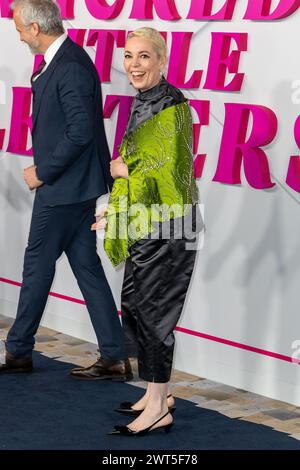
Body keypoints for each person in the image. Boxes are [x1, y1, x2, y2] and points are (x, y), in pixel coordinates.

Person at [0, 0, 132, 382]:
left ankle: (19, 351)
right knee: (86, 267)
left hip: (64, 187)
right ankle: (113, 355)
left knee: (36, 266)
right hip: (76, 186)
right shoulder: (63, 60)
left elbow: (80, 132)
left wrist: (43, 171)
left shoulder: (70, 66)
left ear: (37, 29)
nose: (20, 35)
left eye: (21, 28)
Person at [93, 27, 204, 435]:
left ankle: (159, 407)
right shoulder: (145, 99)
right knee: (137, 307)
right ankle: (159, 392)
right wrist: (114, 214)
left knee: (155, 316)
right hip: (149, 221)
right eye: (128, 56)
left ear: (162, 61)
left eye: (144, 57)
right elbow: (146, 164)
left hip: (171, 225)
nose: (134, 65)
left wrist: (124, 169)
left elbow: (169, 173)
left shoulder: (171, 104)